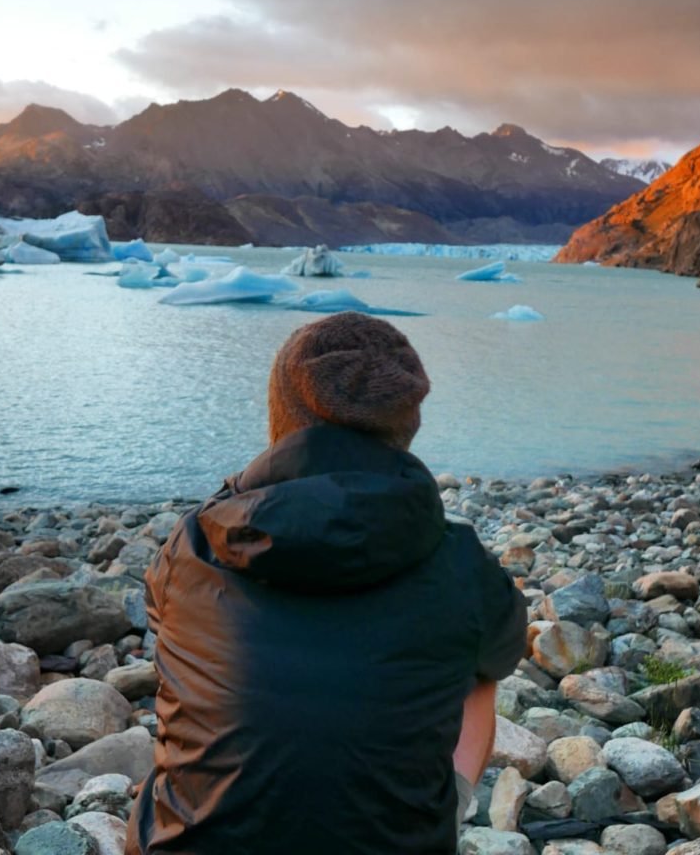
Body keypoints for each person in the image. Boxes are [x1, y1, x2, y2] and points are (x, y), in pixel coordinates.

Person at [126, 312, 527, 855]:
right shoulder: (461, 563)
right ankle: (442, 814)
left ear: (280, 417)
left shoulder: (193, 545)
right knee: (479, 667)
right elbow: (504, 652)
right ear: (404, 423)